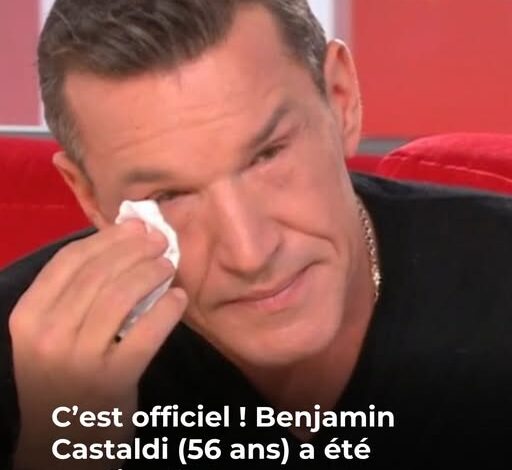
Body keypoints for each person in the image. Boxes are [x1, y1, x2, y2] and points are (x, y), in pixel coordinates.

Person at [1, 0, 512, 468]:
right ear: (90, 196)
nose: (249, 254)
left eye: (268, 155)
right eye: (168, 195)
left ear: (340, 100)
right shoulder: (25, 361)